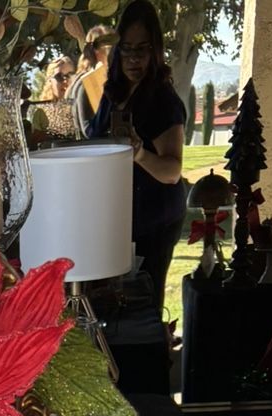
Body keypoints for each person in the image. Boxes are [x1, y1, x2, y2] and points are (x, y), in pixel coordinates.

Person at [89, 0, 187, 312]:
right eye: (127, 48)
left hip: (152, 222)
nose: (133, 58)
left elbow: (172, 171)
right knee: (108, 307)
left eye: (142, 49)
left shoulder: (163, 100)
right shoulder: (112, 93)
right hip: (114, 220)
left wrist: (139, 152)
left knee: (142, 309)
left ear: (155, 51)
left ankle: (149, 359)